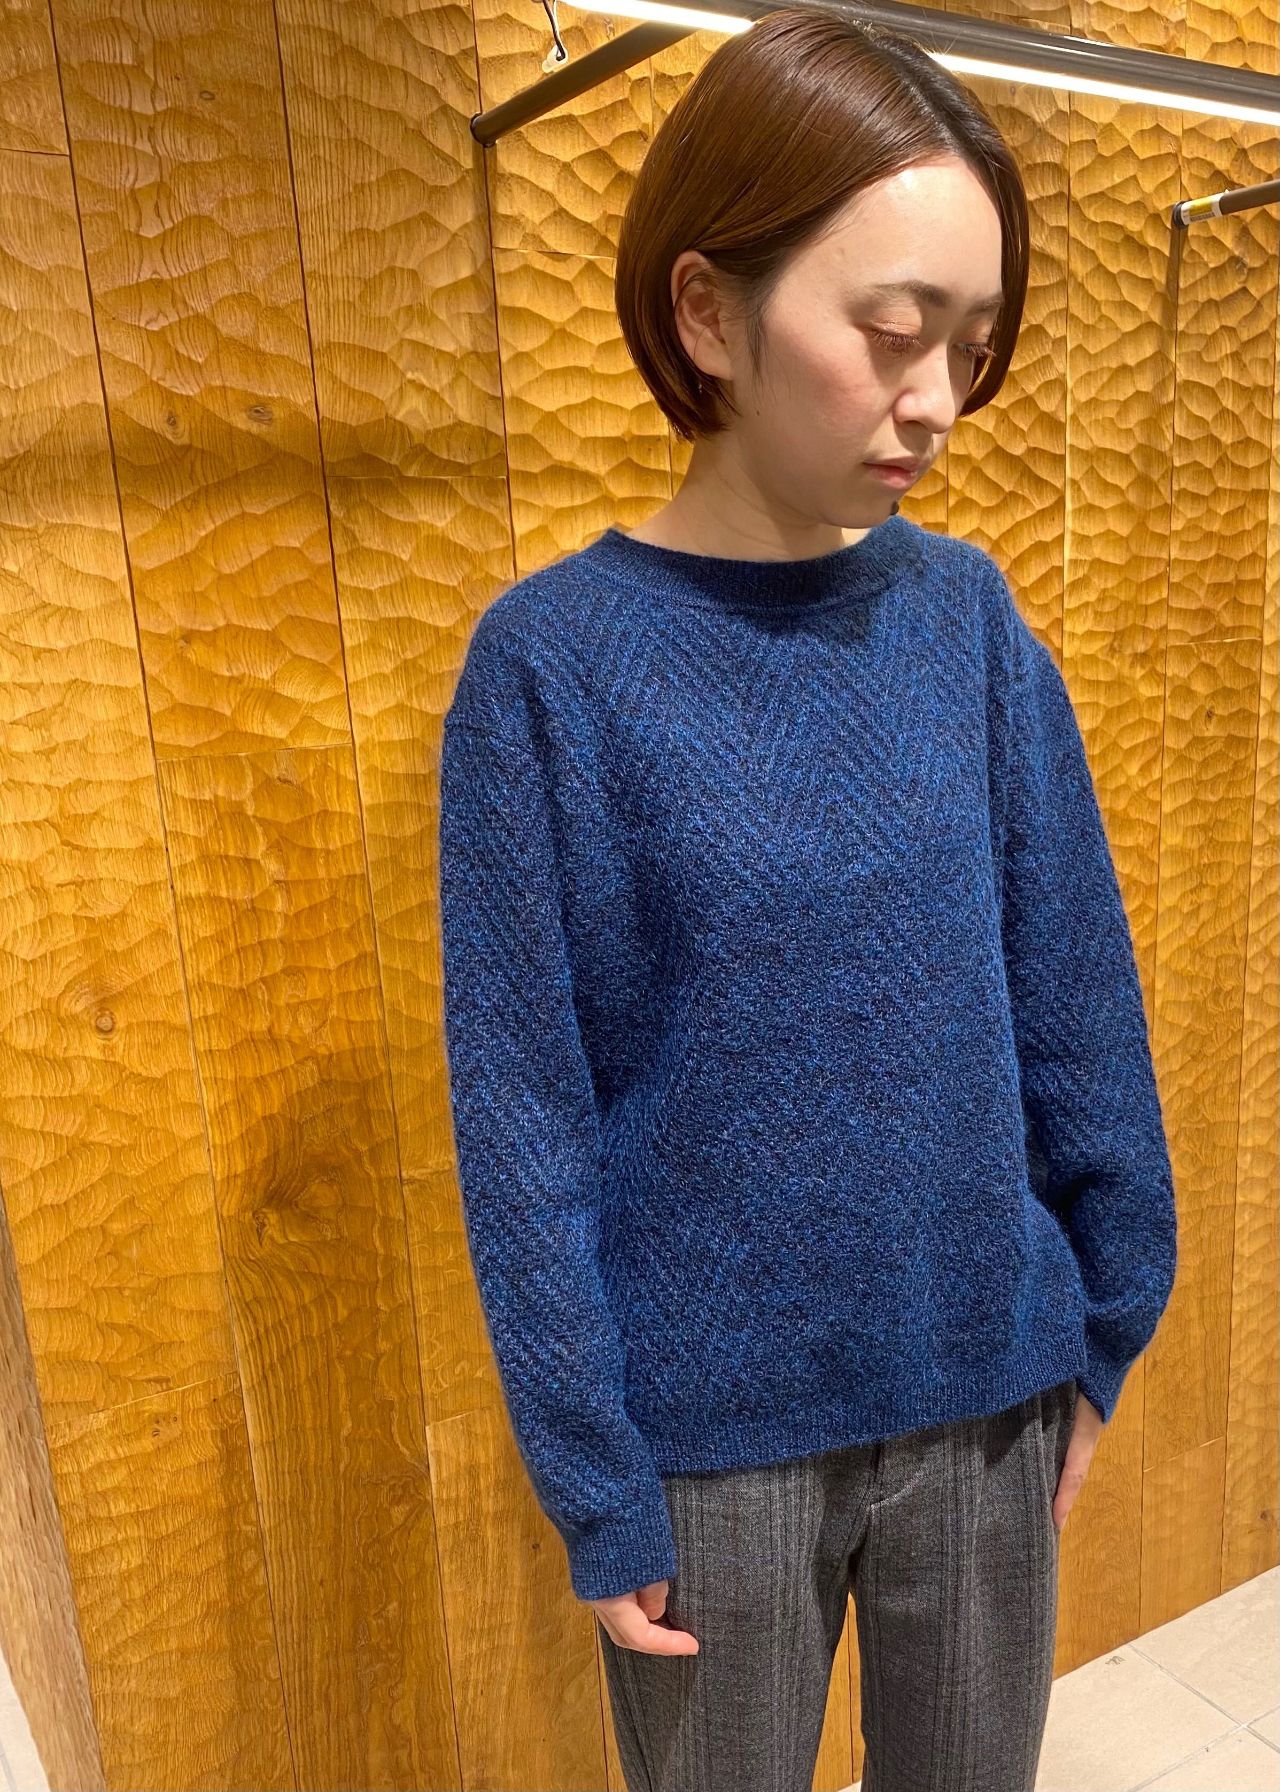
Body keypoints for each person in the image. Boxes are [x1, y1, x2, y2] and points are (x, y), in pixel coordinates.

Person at [437, 9, 1178, 1788]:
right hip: (708, 1455)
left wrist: (1104, 1320)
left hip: (987, 1395)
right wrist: (594, 1478)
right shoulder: (551, 670)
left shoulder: (967, 622)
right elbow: (526, 1116)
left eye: (971, 347)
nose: (936, 401)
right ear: (709, 312)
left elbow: (1076, 989)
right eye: (892, 333)